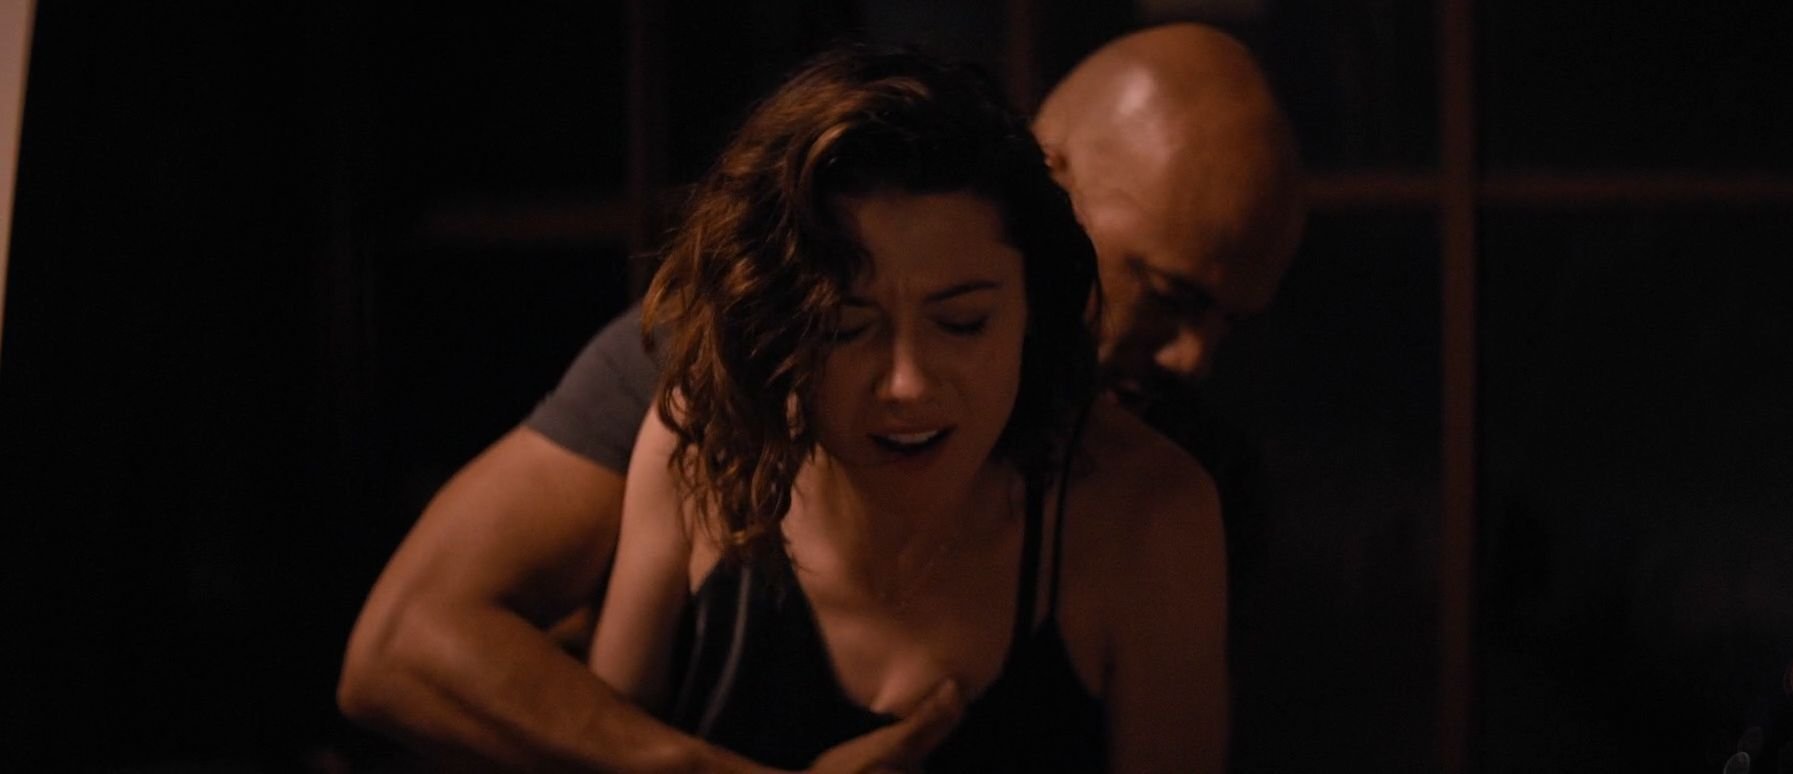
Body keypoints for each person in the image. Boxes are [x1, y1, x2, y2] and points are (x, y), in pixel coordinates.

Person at [339, 22, 1296, 771]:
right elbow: (405, 647)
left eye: (962, 321)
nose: (1191, 358)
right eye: (1166, 292)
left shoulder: (1172, 487)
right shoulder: (705, 389)